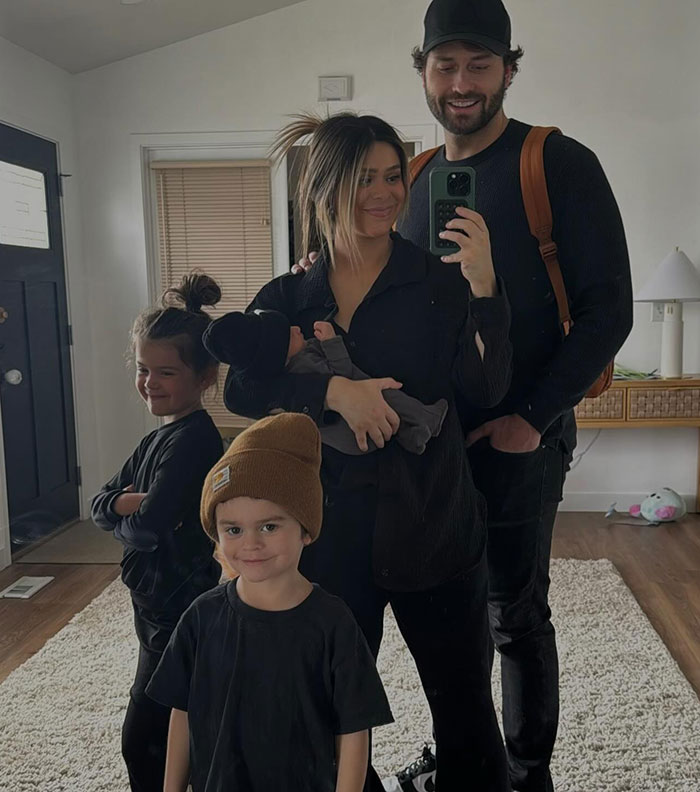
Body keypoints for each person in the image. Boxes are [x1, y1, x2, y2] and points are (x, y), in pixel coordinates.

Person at [207, 111, 514, 790]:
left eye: (392, 176)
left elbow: (487, 387)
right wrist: (333, 393)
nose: (384, 193)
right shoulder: (289, 295)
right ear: (324, 189)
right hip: (330, 538)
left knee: (466, 716)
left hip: (435, 527)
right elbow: (243, 390)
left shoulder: (438, 282)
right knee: (325, 718)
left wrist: (486, 285)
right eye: (362, 179)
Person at [386, 0, 633, 789]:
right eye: (445, 64)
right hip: (428, 444)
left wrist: (533, 417)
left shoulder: (555, 163)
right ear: (423, 71)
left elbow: (609, 312)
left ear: (508, 70)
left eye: (480, 64)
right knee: (443, 616)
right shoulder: (414, 177)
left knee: (513, 615)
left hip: (520, 438)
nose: (461, 82)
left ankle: (527, 775)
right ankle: (466, 755)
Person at [146, 412, 394, 792]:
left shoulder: (333, 624)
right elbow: (183, 712)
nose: (251, 544)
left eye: (269, 526)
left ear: (305, 529)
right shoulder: (201, 617)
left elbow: (354, 731)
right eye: (233, 529)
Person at [90, 273, 224, 792]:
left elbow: (147, 528)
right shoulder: (158, 438)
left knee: (146, 738)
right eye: (143, 369)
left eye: (166, 372)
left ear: (205, 376)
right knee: (164, 732)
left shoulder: (193, 441)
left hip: (178, 608)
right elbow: (100, 505)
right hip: (152, 604)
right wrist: (123, 503)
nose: (150, 382)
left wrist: (126, 510)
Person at [204, 309, 448, 455]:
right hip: (355, 432)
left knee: (393, 419)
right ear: (279, 353)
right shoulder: (303, 367)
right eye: (289, 333)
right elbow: (342, 373)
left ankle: (413, 436)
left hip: (355, 439)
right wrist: (332, 342)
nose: (297, 327)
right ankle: (430, 418)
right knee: (392, 398)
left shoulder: (289, 367)